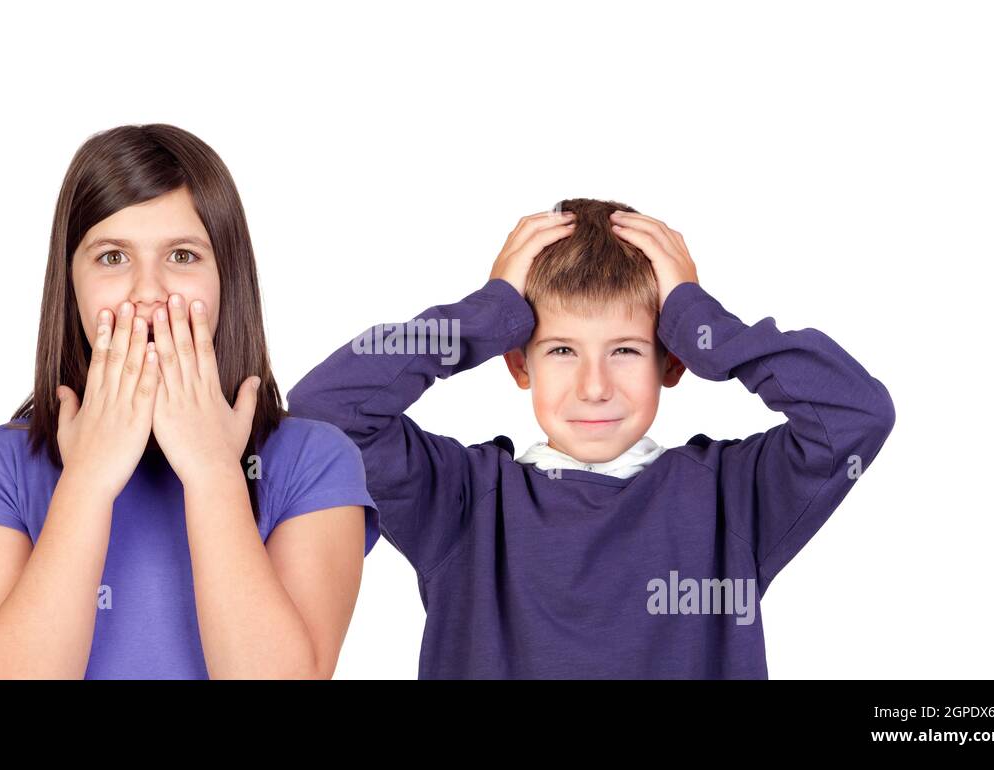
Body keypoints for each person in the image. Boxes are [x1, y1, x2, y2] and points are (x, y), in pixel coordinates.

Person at [287, 198, 895, 678]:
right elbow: (326, 409)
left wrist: (701, 322)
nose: (594, 386)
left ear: (673, 361)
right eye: (561, 351)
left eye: (626, 350)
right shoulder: (461, 504)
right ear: (519, 365)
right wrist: (487, 313)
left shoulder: (731, 499)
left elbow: (854, 415)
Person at [0, 124, 379, 679]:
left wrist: (213, 473)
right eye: (111, 258)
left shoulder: (315, 459)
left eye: (182, 254)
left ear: (227, 277)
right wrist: (89, 479)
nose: (148, 291)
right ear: (69, 282)